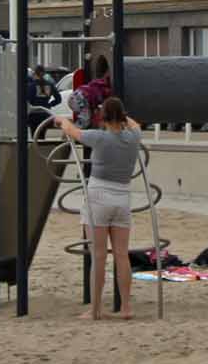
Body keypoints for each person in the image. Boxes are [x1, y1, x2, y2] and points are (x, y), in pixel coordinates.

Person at [53, 97, 143, 320]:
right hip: (122, 197)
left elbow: (72, 130)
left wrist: (60, 120)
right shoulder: (133, 138)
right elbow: (135, 125)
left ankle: (95, 310)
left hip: (98, 197)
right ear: (122, 117)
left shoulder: (99, 138)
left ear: (102, 118)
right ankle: (126, 308)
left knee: (99, 256)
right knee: (122, 255)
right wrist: (123, 116)